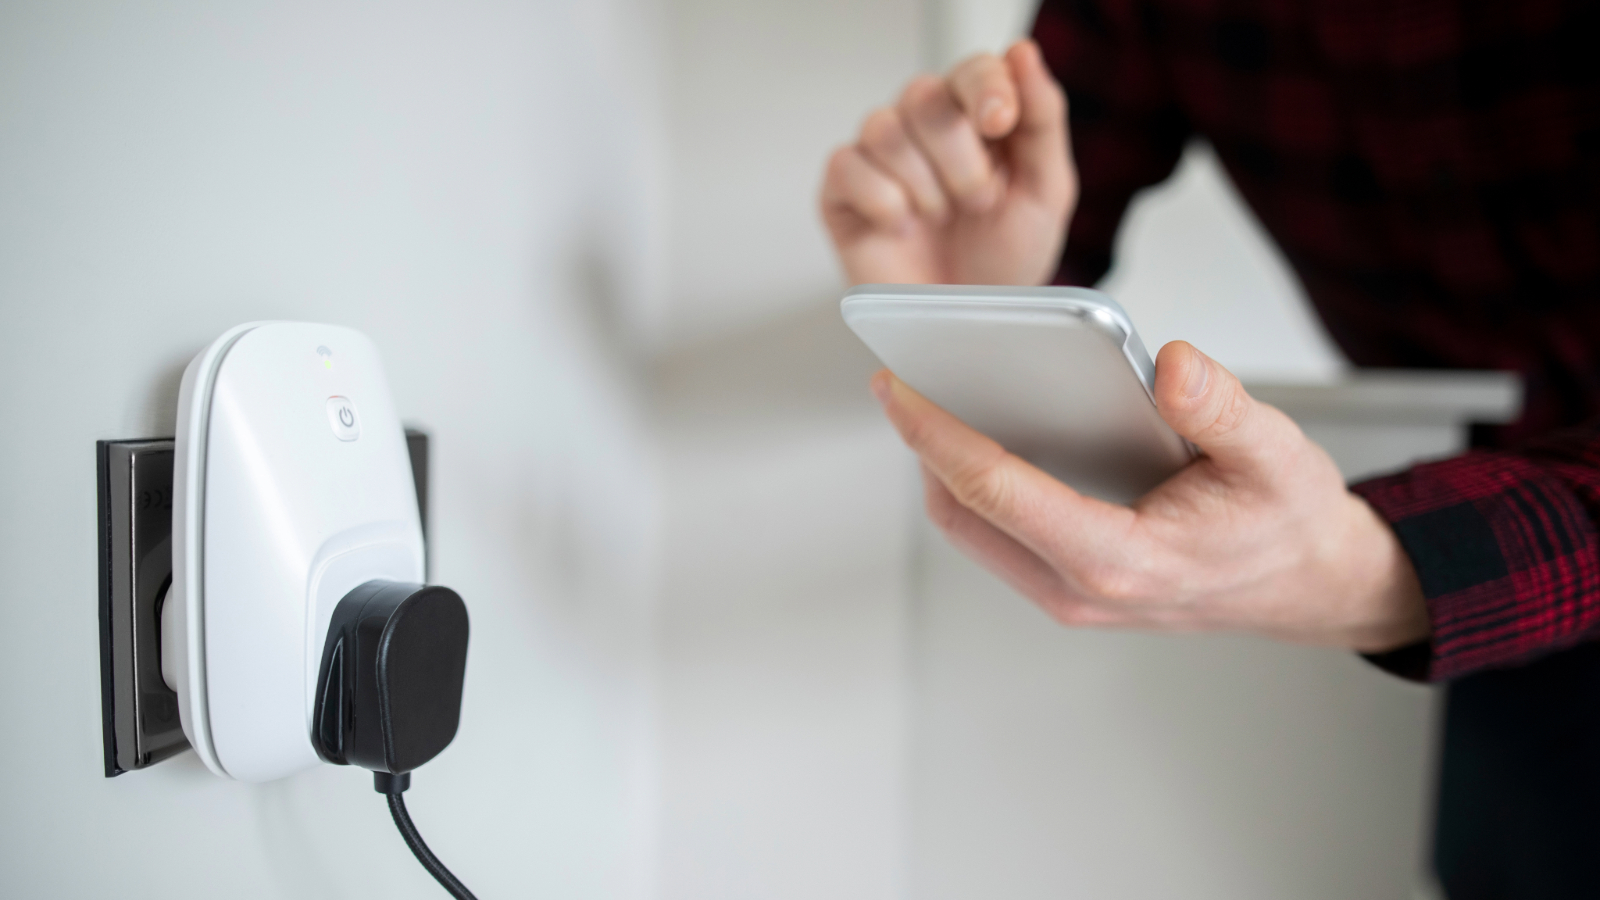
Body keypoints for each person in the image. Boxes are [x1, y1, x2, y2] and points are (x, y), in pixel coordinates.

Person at [817, 3, 1600, 898]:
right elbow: (1040, 200)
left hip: (1486, 579)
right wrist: (976, 285)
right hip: (1516, 665)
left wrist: (1370, 569)